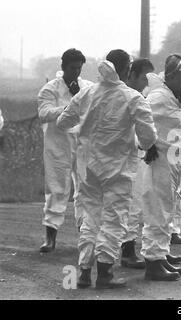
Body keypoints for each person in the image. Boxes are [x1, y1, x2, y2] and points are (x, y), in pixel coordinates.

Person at [57, 49, 158, 289]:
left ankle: (83, 273)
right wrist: (146, 145)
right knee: (114, 219)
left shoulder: (86, 93)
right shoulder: (132, 97)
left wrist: (84, 131)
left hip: (88, 168)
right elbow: (148, 136)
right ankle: (104, 273)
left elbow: (63, 122)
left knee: (90, 217)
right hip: (118, 169)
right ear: (124, 69)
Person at [139, 55, 181, 281]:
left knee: (166, 209)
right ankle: (153, 262)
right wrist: (147, 144)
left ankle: (160, 255)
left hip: (172, 163)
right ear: (170, 77)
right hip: (161, 161)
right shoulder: (158, 97)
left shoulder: (173, 95)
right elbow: (139, 119)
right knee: (158, 209)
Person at [37, 49, 93, 253]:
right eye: (72, 68)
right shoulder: (50, 89)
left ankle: (85, 232)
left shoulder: (87, 87)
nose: (76, 72)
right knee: (57, 188)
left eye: (79, 68)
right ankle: (50, 236)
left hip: (83, 142)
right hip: (58, 143)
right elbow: (43, 113)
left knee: (86, 187)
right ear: (63, 67)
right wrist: (69, 108)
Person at [120, 58, 156, 270]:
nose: (147, 82)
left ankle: (125, 249)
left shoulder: (141, 97)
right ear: (132, 74)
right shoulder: (126, 96)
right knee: (129, 203)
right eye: (144, 77)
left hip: (134, 155)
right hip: (123, 156)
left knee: (134, 203)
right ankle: (126, 251)